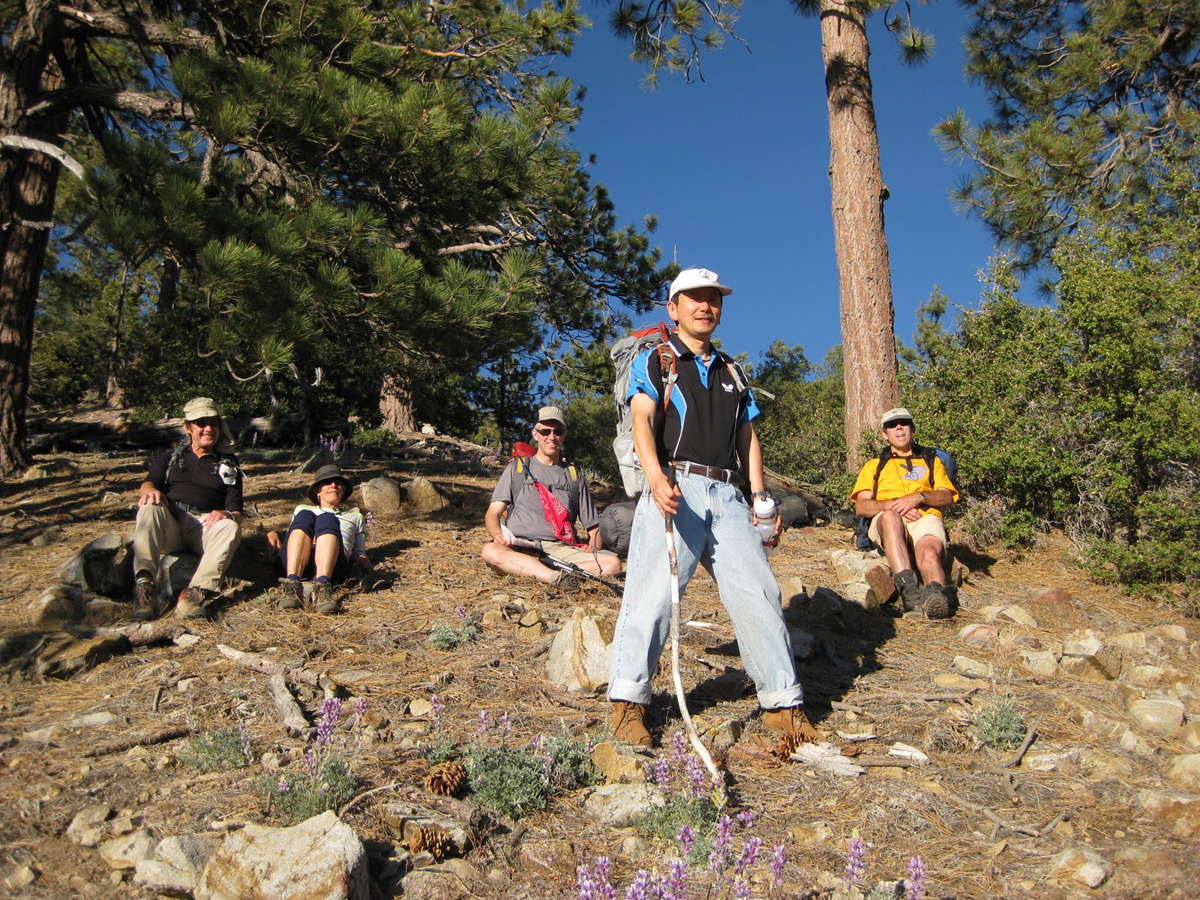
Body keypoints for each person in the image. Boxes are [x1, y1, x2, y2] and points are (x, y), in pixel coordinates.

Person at [606, 267, 819, 748]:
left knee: (759, 593)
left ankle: (784, 706)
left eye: (713, 299)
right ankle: (626, 705)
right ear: (674, 308)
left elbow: (747, 435)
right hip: (675, 485)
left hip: (727, 494)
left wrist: (760, 497)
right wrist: (655, 478)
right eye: (695, 298)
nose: (705, 306)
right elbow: (642, 419)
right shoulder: (657, 359)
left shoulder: (731, 370)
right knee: (652, 596)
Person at [481, 406, 621, 587]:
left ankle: (541, 571)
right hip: (520, 547)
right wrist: (498, 535)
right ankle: (555, 576)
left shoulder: (573, 475)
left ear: (564, 435)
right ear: (535, 434)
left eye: (558, 432)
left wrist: (593, 545)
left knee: (613, 564)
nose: (552, 437)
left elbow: (593, 528)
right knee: (490, 551)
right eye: (545, 431)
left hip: (560, 549)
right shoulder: (518, 467)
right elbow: (493, 513)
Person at [131, 397, 243, 620]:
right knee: (149, 506)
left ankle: (193, 596)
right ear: (188, 427)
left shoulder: (228, 464)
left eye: (213, 423)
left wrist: (226, 513)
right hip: (171, 525)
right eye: (201, 423)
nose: (208, 429)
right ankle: (145, 590)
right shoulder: (169, 458)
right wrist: (150, 492)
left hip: (204, 527)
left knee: (230, 527)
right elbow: (148, 484)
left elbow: (237, 510)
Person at [851, 407, 960, 619]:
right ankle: (910, 594)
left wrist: (919, 497)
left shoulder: (932, 461)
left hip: (924, 516)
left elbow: (947, 496)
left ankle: (935, 595)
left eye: (904, 423)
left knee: (929, 553)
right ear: (885, 434)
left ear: (912, 429)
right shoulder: (874, 466)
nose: (899, 427)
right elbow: (862, 507)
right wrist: (894, 505)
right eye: (892, 425)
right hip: (887, 519)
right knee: (890, 517)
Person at [273, 464, 369, 615]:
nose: (333, 485)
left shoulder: (355, 517)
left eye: (338, 483)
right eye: (327, 482)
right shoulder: (302, 510)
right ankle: (292, 587)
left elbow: (359, 551)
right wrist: (273, 534)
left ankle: (322, 589)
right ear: (318, 490)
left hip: (334, 564)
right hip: (297, 560)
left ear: (343, 490)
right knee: (305, 514)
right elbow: (293, 535)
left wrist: (362, 560)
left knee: (328, 518)